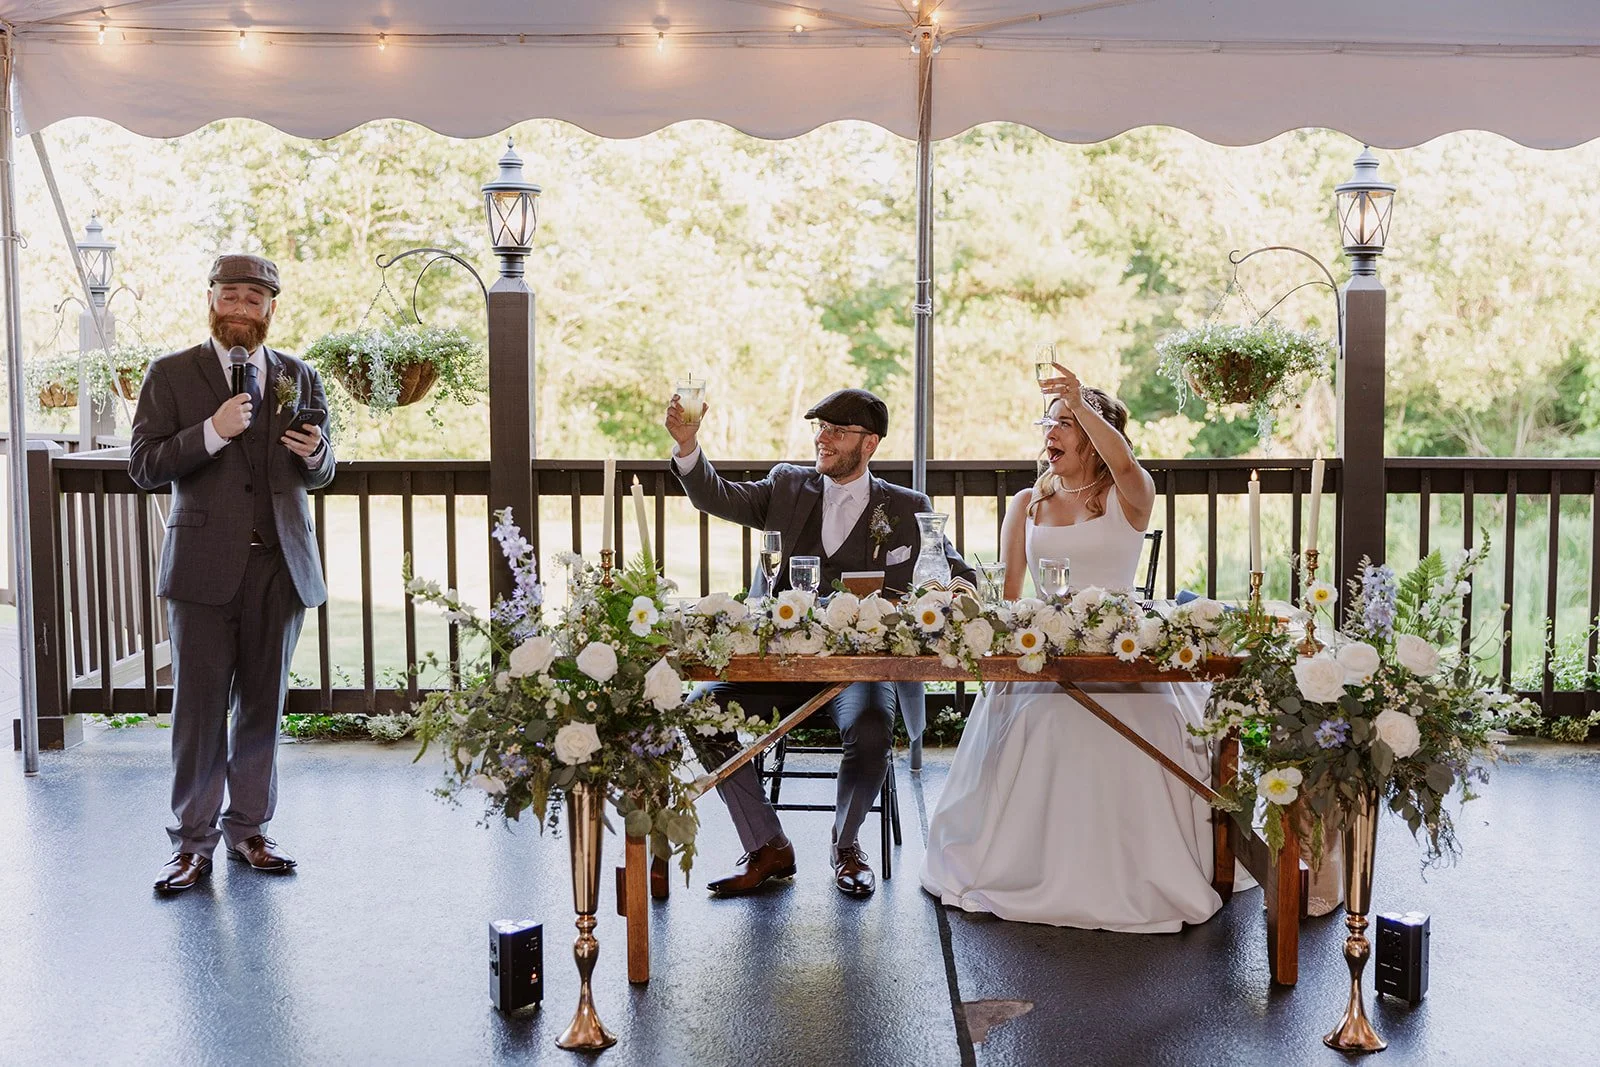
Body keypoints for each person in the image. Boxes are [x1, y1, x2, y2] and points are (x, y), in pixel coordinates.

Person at [919, 365, 1223, 931]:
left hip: (1127, 657)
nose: (1050, 432)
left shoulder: (1130, 497)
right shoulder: (1026, 504)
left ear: (1094, 433)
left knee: (1148, 726)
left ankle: (1146, 874)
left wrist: (1078, 400)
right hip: (1046, 658)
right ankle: (1031, 870)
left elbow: (1127, 463)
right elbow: (1009, 599)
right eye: (1048, 422)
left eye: (1065, 423)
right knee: (1046, 723)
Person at [665, 387, 973, 898]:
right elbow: (716, 495)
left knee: (874, 727)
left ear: (869, 442)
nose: (822, 438)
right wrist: (688, 445)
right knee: (700, 713)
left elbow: (959, 576)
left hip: (859, 670)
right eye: (819, 428)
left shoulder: (906, 507)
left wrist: (943, 597)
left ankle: (847, 844)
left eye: (836, 430)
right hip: (780, 664)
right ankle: (767, 844)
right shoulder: (788, 486)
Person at [131, 254, 336, 894]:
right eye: (231, 296)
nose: (241, 309)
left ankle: (249, 829)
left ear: (271, 309)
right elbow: (144, 464)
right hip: (200, 572)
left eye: (255, 298)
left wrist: (318, 454)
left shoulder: (299, 375)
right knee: (197, 710)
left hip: (279, 568)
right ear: (210, 299)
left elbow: (323, 470)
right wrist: (212, 433)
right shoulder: (170, 374)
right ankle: (192, 845)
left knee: (262, 709)